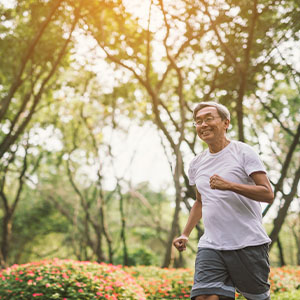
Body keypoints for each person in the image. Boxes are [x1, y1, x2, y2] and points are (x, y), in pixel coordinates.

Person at [173, 101, 274, 300]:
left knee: (258, 297)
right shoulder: (196, 163)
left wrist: (230, 185)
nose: (203, 125)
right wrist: (185, 234)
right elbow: (200, 202)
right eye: (198, 121)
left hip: (248, 243)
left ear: (226, 123)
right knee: (205, 297)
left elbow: (267, 193)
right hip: (212, 243)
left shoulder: (243, 152)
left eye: (209, 119)